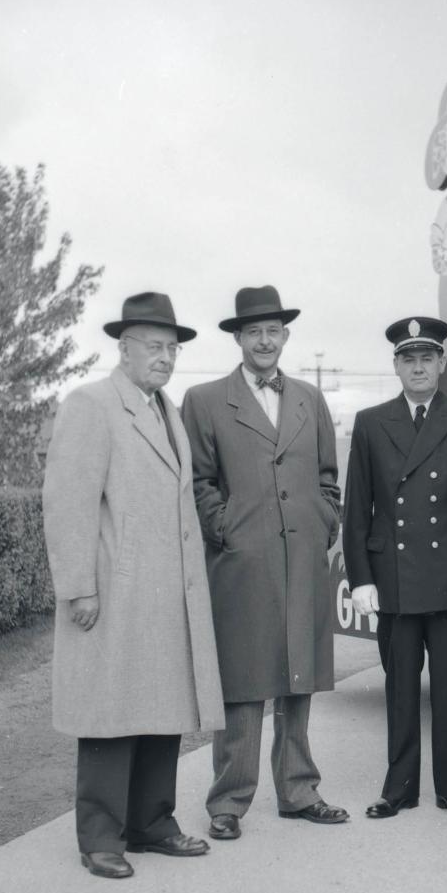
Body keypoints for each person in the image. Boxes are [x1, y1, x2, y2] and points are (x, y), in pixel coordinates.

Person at [43, 291, 224, 879]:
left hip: (167, 596)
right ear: (123, 348)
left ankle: (151, 823)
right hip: (115, 593)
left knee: (160, 711)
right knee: (109, 714)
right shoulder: (92, 404)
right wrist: (78, 588)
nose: (165, 357)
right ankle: (100, 837)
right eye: (154, 346)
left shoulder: (166, 411)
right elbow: (67, 503)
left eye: (172, 348)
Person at [181, 285, 347, 840]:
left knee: (298, 679)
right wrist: (224, 528)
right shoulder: (205, 400)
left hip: (302, 556)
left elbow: (328, 475)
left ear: (286, 336)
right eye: (253, 332)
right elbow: (199, 482)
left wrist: (325, 518)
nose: (264, 340)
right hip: (242, 561)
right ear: (237, 338)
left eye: (273, 330)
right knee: (244, 682)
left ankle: (299, 791)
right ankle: (228, 801)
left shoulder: (309, 398)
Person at [343, 316, 447, 819]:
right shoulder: (371, 422)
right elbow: (357, 507)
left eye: (427, 358)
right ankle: (400, 788)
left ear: (441, 364)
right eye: (408, 359)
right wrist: (361, 579)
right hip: (395, 578)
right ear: (396, 366)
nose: (418, 368)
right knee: (400, 689)